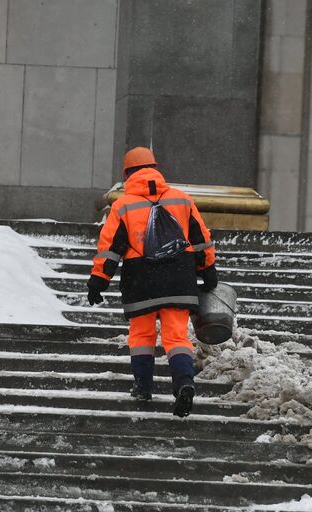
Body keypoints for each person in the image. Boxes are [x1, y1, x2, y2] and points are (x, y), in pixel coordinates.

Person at [87, 147, 217, 417]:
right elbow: (200, 237)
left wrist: (99, 279)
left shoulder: (123, 205)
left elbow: (110, 247)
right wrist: (208, 268)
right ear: (156, 168)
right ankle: (184, 382)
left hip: (141, 278)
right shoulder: (181, 199)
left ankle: (143, 385)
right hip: (179, 276)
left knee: (142, 335)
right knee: (177, 336)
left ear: (127, 174)